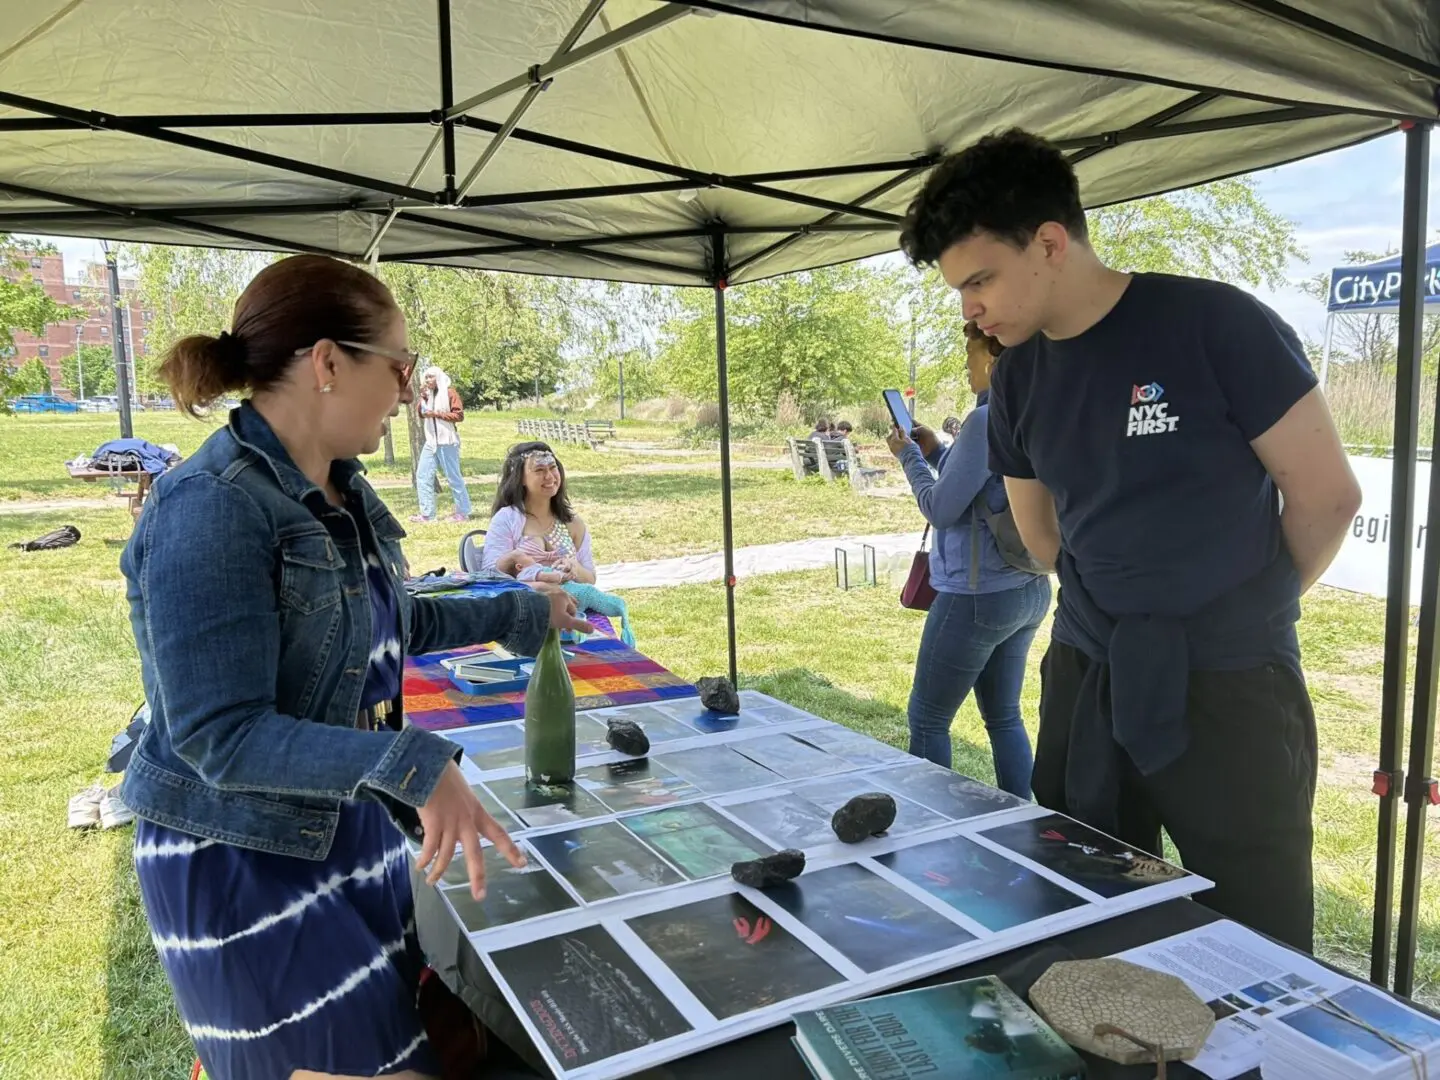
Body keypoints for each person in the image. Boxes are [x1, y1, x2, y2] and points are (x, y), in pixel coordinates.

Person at [118, 254, 592, 1080]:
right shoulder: (209, 506)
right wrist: (409, 762)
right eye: (401, 366)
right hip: (246, 863)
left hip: (342, 828)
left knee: (410, 1052)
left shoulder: (339, 489)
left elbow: (391, 618)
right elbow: (218, 737)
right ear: (329, 362)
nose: (410, 389)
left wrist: (524, 611)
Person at [898, 127, 1361, 952]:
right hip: (1089, 671)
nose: (969, 308)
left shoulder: (1215, 324)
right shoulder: (1021, 377)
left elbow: (1325, 497)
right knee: (1083, 903)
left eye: (980, 280)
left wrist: (1241, 616)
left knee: (1257, 923)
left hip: (1231, 682)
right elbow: (1039, 533)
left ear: (1048, 243)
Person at [886, 322, 1050, 795]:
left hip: (977, 595)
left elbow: (941, 508)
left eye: (971, 353)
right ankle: (1024, 820)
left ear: (995, 361)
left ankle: (931, 826)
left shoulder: (984, 419)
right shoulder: (1031, 409)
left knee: (928, 717)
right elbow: (986, 488)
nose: (965, 363)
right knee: (1003, 717)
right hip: (1028, 584)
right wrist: (937, 451)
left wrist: (908, 457)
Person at [482, 441, 597, 586]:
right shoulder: (506, 519)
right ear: (520, 478)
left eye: (552, 467)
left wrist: (574, 567)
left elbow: (590, 579)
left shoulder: (573, 523)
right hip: (526, 603)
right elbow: (490, 575)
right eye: (539, 470)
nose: (549, 476)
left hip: (575, 603)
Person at [411, 364, 472, 524]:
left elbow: (459, 415)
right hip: (431, 441)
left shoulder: (450, 393)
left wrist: (437, 414)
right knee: (423, 475)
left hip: (447, 441)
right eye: (426, 377)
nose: (428, 380)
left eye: (431, 376)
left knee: (453, 477)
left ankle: (463, 512)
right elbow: (421, 413)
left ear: (438, 377)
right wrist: (423, 399)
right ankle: (427, 514)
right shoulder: (428, 395)